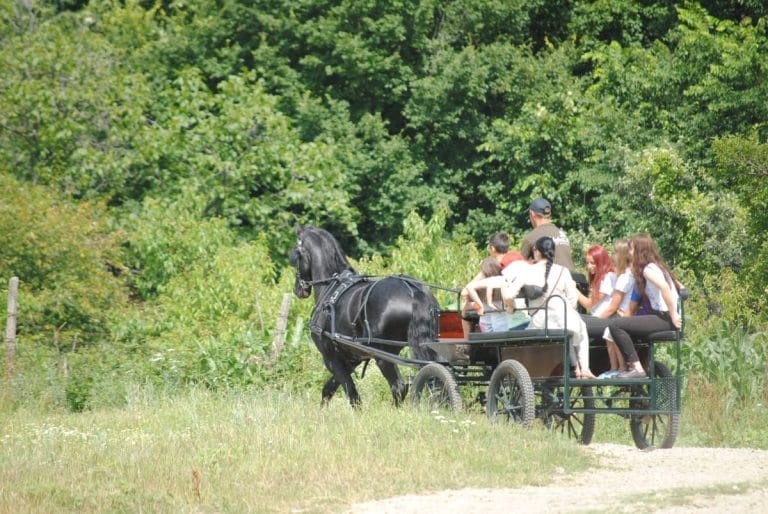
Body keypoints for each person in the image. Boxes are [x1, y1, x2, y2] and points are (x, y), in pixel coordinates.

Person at [493, 237, 595, 379]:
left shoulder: (527, 271)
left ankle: (574, 368)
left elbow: (509, 295)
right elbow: (572, 301)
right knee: (578, 327)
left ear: (537, 252)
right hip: (566, 319)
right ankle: (584, 368)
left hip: (541, 322)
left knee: (566, 329)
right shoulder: (563, 271)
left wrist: (512, 307)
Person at [607, 235, 682, 379]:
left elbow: (665, 287)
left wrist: (673, 314)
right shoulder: (658, 267)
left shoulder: (648, 270)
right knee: (627, 325)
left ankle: (637, 368)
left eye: (631, 249)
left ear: (639, 251)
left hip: (664, 318)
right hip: (663, 317)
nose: (629, 253)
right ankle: (640, 364)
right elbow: (681, 288)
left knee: (615, 325)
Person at [521, 198, 576, 271]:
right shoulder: (562, 233)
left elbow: (520, 266)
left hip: (552, 280)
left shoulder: (531, 237)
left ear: (532, 214)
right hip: (572, 279)